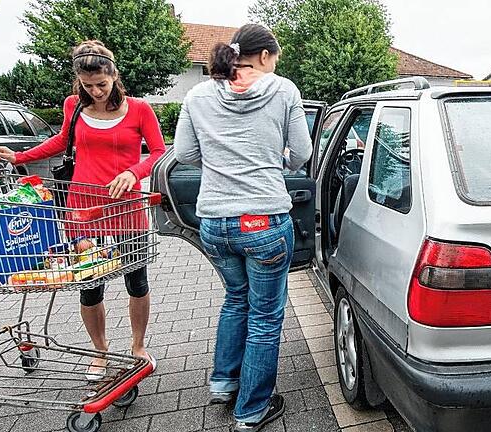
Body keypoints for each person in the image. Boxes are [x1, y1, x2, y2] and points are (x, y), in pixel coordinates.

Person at [0, 40, 165, 378]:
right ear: (79, 81)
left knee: (136, 280)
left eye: (102, 84)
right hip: (82, 207)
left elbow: (157, 151)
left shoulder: (140, 109)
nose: (95, 91)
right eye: (87, 85)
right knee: (89, 283)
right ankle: (100, 351)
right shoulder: (74, 106)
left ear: (114, 75)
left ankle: (138, 346)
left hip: (125, 207)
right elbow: (60, 142)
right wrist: (19, 156)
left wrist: (133, 172)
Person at [174, 24, 312, 432]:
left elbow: (183, 153)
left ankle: (223, 383)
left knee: (237, 298)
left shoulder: (198, 94)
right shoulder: (283, 90)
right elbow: (301, 153)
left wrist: (222, 169)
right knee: (266, 317)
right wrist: (274, 165)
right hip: (263, 220)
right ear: (265, 57)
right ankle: (251, 410)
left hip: (214, 222)